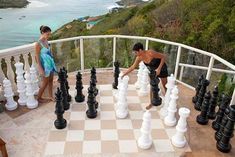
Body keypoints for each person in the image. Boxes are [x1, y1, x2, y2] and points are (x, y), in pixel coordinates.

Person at [121, 42, 168, 109]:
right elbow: (133, 67)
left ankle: (168, 100)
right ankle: (151, 102)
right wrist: (124, 74)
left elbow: (163, 56)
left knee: (165, 86)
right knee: (152, 86)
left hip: (162, 68)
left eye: (136, 52)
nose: (135, 54)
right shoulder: (139, 58)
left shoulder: (151, 53)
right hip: (153, 72)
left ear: (140, 50)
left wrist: (159, 69)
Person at [35, 25, 57, 103]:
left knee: (51, 80)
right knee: (45, 82)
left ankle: (51, 96)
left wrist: (52, 57)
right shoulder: (38, 44)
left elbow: (49, 51)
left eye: (49, 34)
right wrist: (41, 69)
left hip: (50, 63)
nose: (49, 36)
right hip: (45, 66)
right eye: (47, 34)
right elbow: (37, 58)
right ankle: (39, 97)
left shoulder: (46, 41)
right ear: (42, 33)